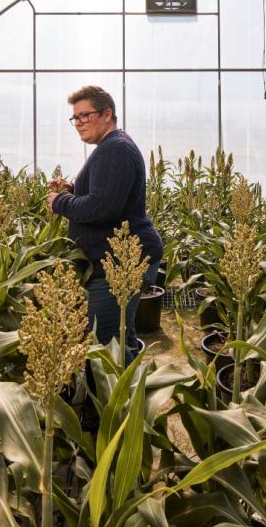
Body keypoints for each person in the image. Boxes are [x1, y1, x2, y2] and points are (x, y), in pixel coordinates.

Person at [47, 85, 163, 359]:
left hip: (119, 266)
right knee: (122, 337)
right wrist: (72, 189)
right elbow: (108, 196)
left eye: (85, 116)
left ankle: (118, 400)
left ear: (107, 113)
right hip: (115, 262)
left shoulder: (115, 150)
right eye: (75, 118)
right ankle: (130, 396)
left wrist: (58, 201)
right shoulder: (112, 147)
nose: (78, 124)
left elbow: (101, 207)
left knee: (106, 347)